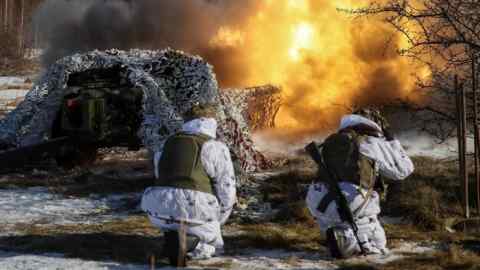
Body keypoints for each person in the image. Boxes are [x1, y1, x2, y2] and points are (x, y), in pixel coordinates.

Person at [305, 108, 414, 258]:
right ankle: (362, 246)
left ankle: (340, 240)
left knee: (337, 223)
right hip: (350, 200)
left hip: (317, 200)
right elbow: (403, 170)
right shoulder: (370, 142)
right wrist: (392, 140)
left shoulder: (331, 141)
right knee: (376, 239)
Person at [141, 103, 236, 266]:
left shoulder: (166, 143)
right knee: (214, 244)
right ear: (212, 122)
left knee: (176, 225)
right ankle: (192, 246)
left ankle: (173, 239)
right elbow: (226, 186)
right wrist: (219, 218)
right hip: (195, 209)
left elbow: (160, 174)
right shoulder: (214, 146)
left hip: (157, 207)